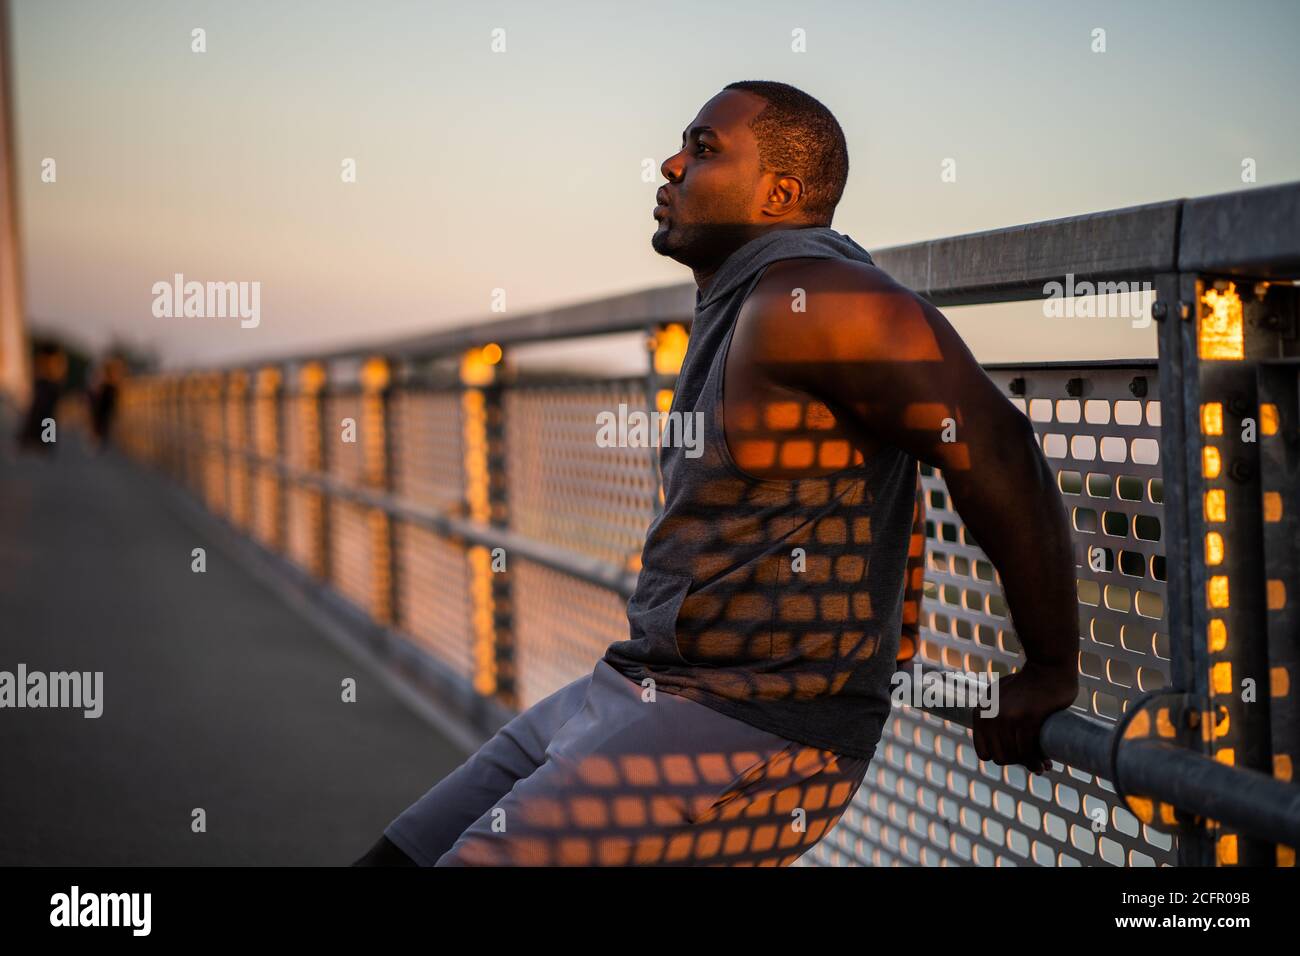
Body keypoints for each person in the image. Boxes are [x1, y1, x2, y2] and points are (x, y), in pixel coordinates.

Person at [355, 80, 1079, 867]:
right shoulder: (741, 299)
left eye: (703, 150)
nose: (670, 164)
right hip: (642, 683)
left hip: (750, 721)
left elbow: (997, 446)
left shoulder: (815, 299)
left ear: (780, 194)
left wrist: (1047, 668)